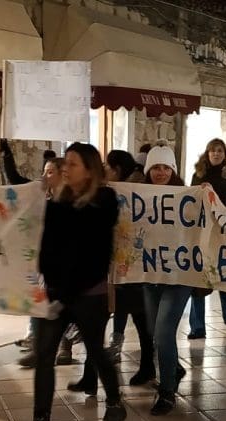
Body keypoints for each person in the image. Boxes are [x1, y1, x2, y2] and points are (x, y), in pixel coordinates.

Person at [10, 143, 125, 421]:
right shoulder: (57, 202)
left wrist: (66, 293)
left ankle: (115, 403)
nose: (65, 168)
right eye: (65, 164)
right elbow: (48, 248)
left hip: (88, 294)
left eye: (73, 164)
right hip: (58, 293)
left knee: (96, 352)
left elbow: (95, 255)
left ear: (89, 170)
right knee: (44, 355)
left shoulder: (103, 202)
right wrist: (50, 288)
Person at [69, 150, 155, 392]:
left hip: (133, 270)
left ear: (117, 169)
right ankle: (92, 376)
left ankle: (144, 369)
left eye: (107, 165)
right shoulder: (109, 192)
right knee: (101, 324)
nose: (104, 169)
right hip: (118, 270)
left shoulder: (133, 191)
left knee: (137, 322)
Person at [139, 145, 193, 415]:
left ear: (173, 170)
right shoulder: (139, 197)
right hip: (151, 275)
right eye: (156, 168)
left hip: (178, 276)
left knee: (162, 332)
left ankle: (167, 392)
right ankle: (174, 367)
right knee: (154, 330)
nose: (161, 173)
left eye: (165, 168)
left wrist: (207, 194)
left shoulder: (187, 197)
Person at [15, 158, 76, 369]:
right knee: (39, 300)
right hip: (45, 262)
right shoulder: (44, 199)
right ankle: (39, 348)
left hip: (65, 265)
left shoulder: (71, 201)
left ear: (62, 174)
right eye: (44, 172)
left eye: (50, 172)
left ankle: (64, 347)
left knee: (63, 308)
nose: (44, 176)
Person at [188, 138, 226, 338]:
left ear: (224, 153)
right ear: (208, 153)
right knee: (199, 277)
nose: (216, 154)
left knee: (224, 275)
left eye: (220, 151)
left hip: (223, 231)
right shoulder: (199, 174)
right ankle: (197, 327)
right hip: (203, 230)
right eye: (213, 150)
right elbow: (192, 199)